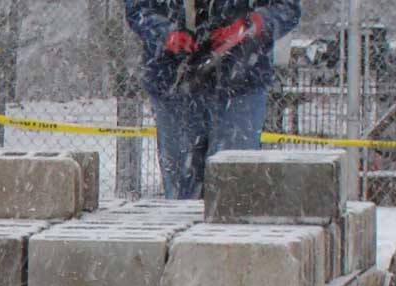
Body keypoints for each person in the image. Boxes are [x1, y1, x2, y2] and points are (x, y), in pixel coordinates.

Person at [125, 0, 301, 199]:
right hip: (174, 82)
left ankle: (229, 223)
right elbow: (138, 8)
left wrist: (248, 26)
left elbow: (287, 8)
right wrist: (166, 34)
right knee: (182, 192)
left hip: (240, 86)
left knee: (233, 189)